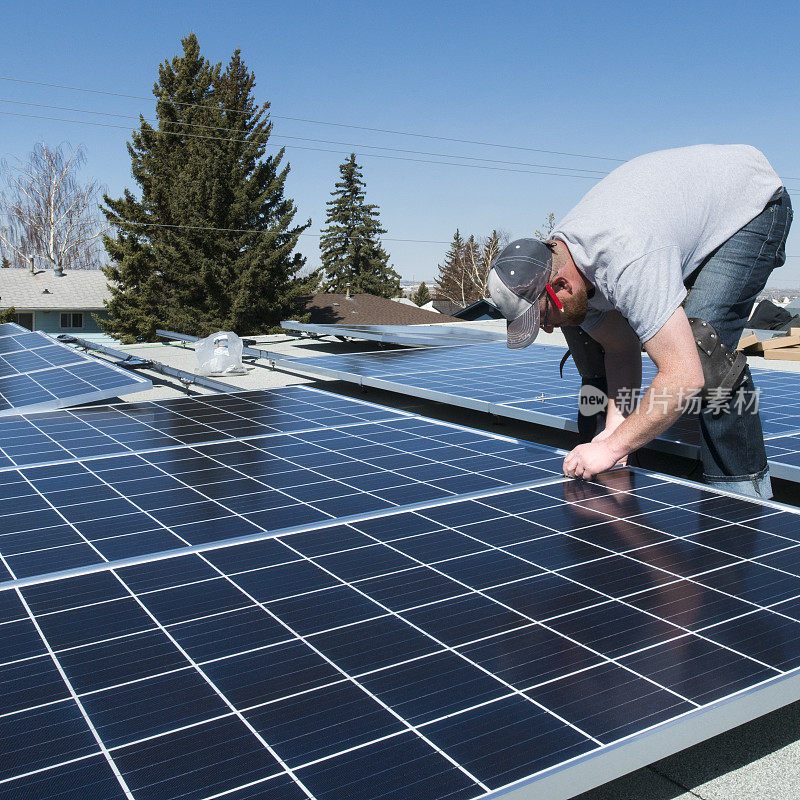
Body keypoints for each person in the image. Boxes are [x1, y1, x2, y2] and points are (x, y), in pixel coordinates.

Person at [488, 144, 792, 498]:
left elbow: (684, 377)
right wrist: (614, 432)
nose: (550, 328)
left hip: (750, 205)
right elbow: (620, 348)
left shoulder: (628, 259)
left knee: (703, 347)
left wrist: (611, 448)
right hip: (677, 217)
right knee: (587, 335)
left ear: (560, 285)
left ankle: (746, 501)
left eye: (544, 317)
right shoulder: (567, 261)